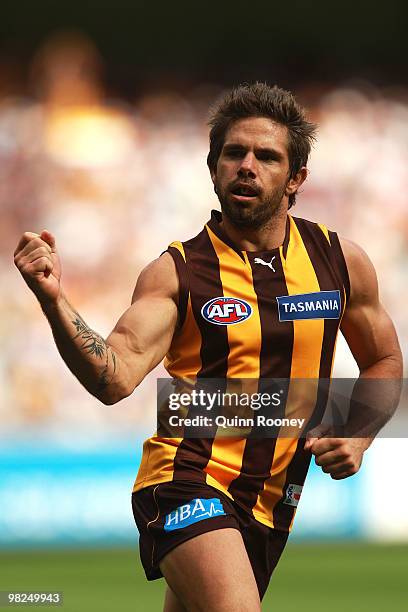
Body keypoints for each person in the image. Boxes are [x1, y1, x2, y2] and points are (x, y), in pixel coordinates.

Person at [14, 83, 402, 612]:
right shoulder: (177, 272)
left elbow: (383, 357)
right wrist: (55, 301)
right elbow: (113, 377)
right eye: (233, 153)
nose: (247, 165)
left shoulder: (339, 261)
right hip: (185, 477)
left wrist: (358, 434)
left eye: (266, 156)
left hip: (269, 503)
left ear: (296, 179)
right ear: (212, 166)